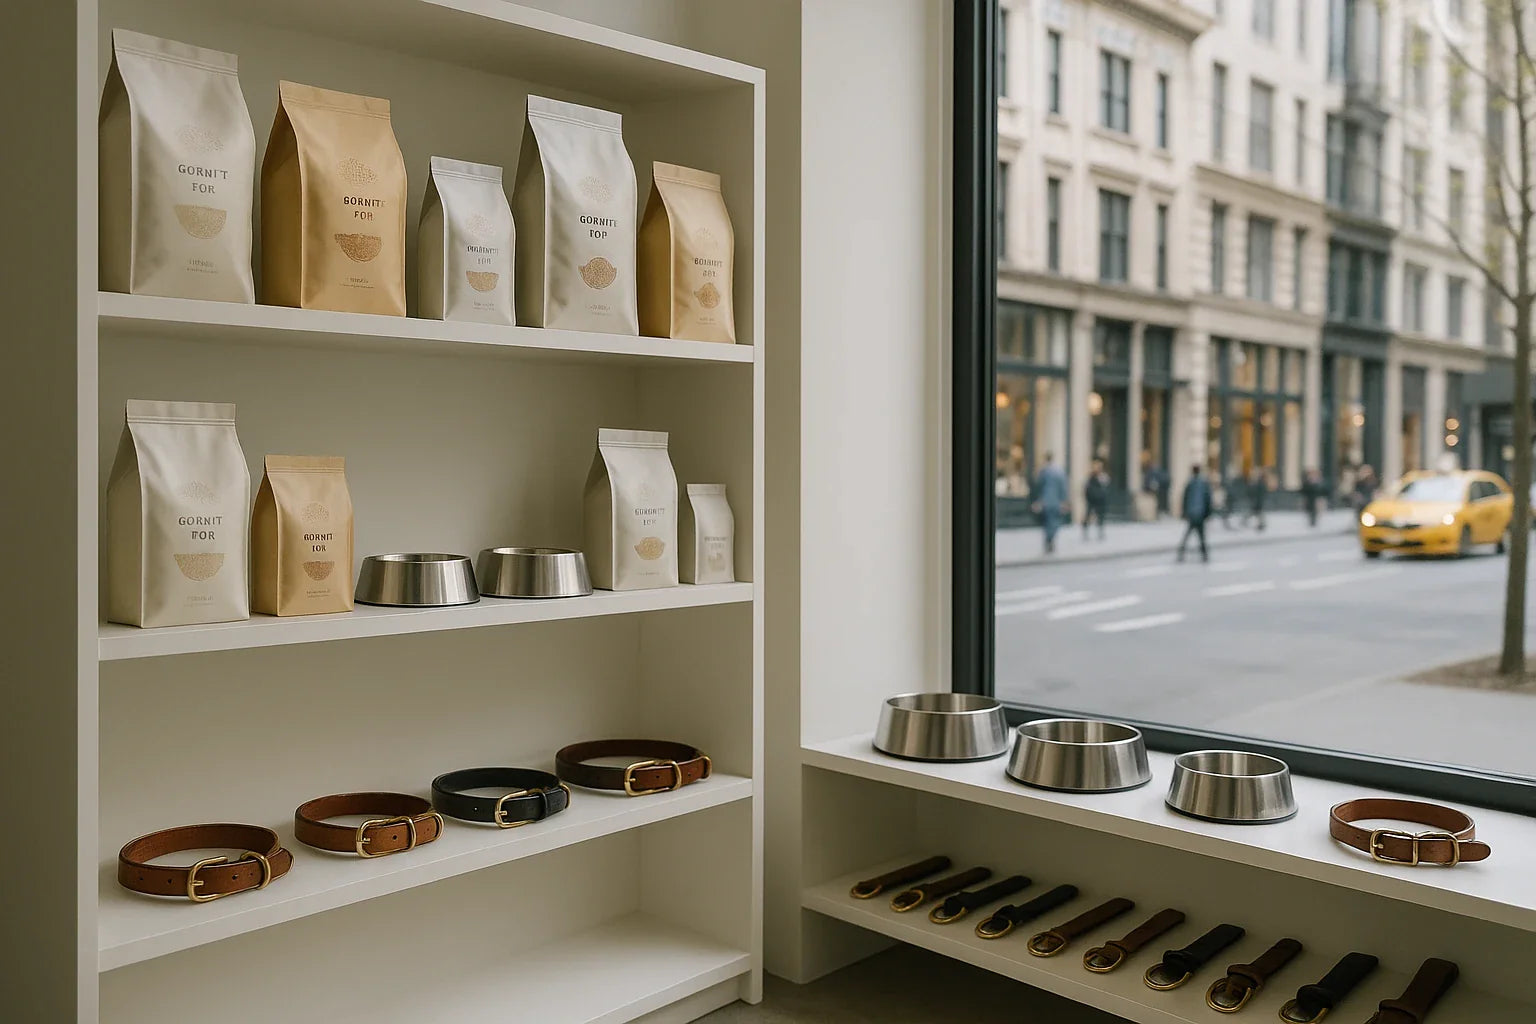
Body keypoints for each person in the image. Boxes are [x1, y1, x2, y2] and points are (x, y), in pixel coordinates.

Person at [1031, 452, 1069, 554]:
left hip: (1046, 501)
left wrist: (1037, 501)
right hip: (1056, 501)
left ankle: (1049, 539)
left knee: (1048, 521)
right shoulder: (1059, 471)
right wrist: (1064, 501)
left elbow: (1038, 487)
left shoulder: (1043, 471)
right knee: (1054, 521)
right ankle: (1051, 539)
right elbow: (1064, 488)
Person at [1177, 463, 1213, 563]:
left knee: (1188, 535)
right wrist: (1208, 513)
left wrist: (1184, 512)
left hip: (1193, 513)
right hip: (1200, 513)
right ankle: (1204, 555)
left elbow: (1185, 498)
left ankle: (1182, 554)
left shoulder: (1191, 483)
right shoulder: (1203, 483)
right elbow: (1208, 499)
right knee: (1201, 536)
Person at [1083, 459, 1110, 540]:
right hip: (1092, 500)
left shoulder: (1103, 477)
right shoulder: (1090, 477)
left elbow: (1106, 486)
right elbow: (1086, 488)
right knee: (1088, 516)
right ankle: (1086, 532)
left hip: (1100, 500)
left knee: (1100, 517)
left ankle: (1100, 532)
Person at [1241, 467, 1268, 531]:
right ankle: (1260, 524)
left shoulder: (1260, 483)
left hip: (1258, 501)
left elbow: (1258, 493)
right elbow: (1257, 493)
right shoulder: (1260, 483)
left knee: (1256, 513)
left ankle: (1260, 524)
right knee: (1256, 513)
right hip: (1258, 501)